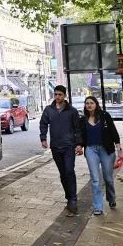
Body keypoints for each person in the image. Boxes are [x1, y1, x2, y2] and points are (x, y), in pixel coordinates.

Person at [39, 85, 82, 215]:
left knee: (69, 171)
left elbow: (78, 128)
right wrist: (43, 138)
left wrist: (79, 143)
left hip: (69, 146)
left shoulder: (72, 111)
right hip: (56, 146)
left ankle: (73, 200)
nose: (57, 97)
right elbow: (43, 124)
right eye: (55, 94)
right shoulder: (49, 110)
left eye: (60, 95)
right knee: (63, 174)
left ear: (65, 96)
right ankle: (69, 197)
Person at [78, 96, 121, 215]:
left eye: (91, 103)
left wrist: (119, 149)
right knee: (95, 179)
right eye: (87, 103)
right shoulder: (82, 120)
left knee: (108, 178)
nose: (89, 105)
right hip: (91, 150)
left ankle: (111, 199)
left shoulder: (104, 116)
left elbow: (113, 132)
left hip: (106, 150)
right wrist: (79, 146)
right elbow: (81, 136)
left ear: (96, 104)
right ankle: (98, 207)